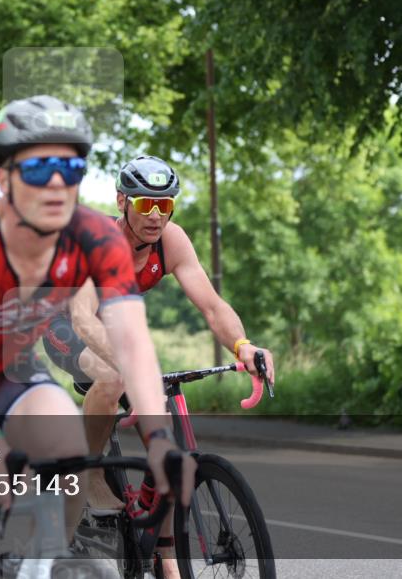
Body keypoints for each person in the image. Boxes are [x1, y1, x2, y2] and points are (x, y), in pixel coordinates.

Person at [0, 97, 195, 579]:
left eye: (69, 168)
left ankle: (38, 561)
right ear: (3, 177)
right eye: (38, 169)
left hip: (8, 371)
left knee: (69, 446)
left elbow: (132, 344)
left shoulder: (93, 236)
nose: (55, 183)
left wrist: (158, 438)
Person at [41, 154, 276, 578]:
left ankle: (164, 551)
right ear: (121, 202)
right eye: (145, 204)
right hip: (66, 323)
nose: (156, 216)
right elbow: (83, 319)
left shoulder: (171, 241)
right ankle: (87, 478)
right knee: (113, 377)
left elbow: (211, 305)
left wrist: (243, 346)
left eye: (164, 205)